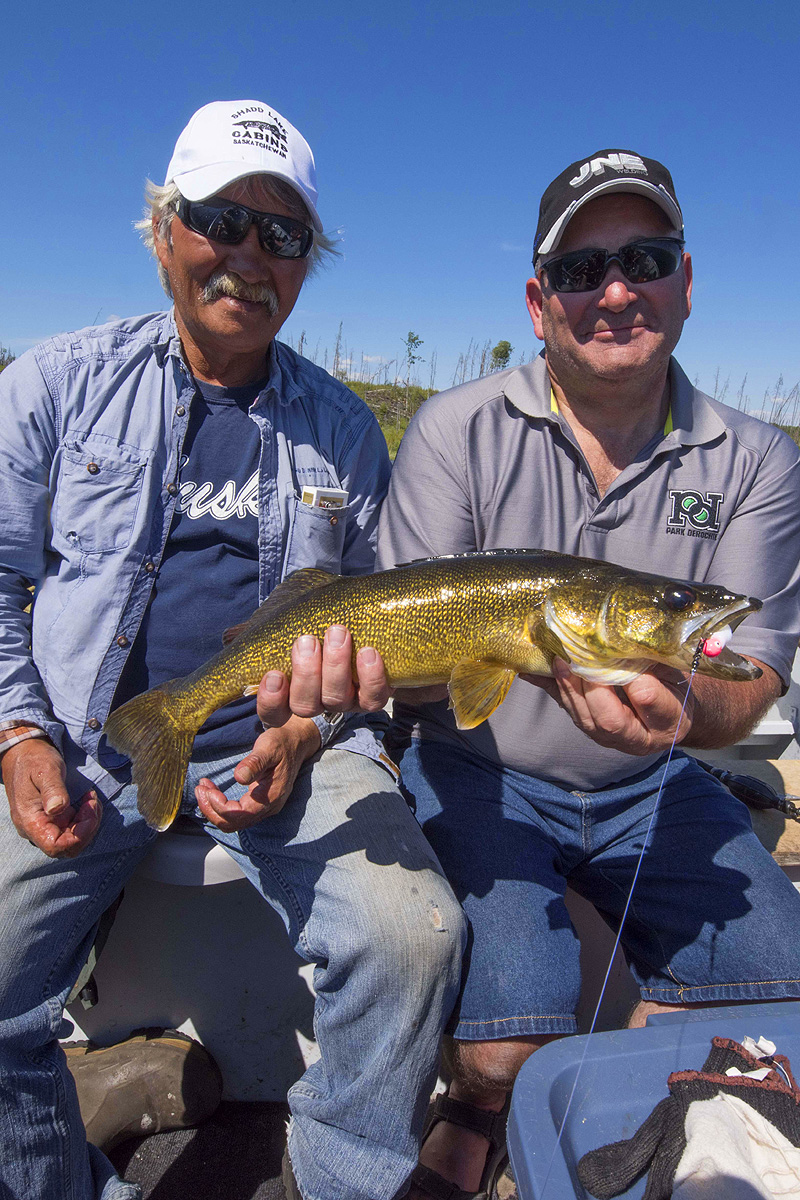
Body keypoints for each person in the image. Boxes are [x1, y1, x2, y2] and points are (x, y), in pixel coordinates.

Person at [259, 148, 800, 1198]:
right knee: (507, 1038)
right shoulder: (454, 427)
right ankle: (478, 1105)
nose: (612, 290)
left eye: (644, 258)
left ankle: (646, 1105)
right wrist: (335, 687)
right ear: (535, 298)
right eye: (578, 268)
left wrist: (684, 710)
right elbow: (421, 677)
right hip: (480, 773)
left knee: (776, 986)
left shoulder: (756, 459)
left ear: (683, 282)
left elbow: (751, 673)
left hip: (659, 786)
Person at [0, 99, 465, 1200]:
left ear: (308, 262)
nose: (249, 257)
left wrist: (307, 728)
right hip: (82, 738)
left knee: (416, 940)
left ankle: (344, 1176)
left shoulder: (345, 427)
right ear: (165, 229)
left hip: (291, 744)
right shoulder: (53, 387)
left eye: (284, 235)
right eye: (220, 219)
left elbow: (376, 637)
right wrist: (18, 733)